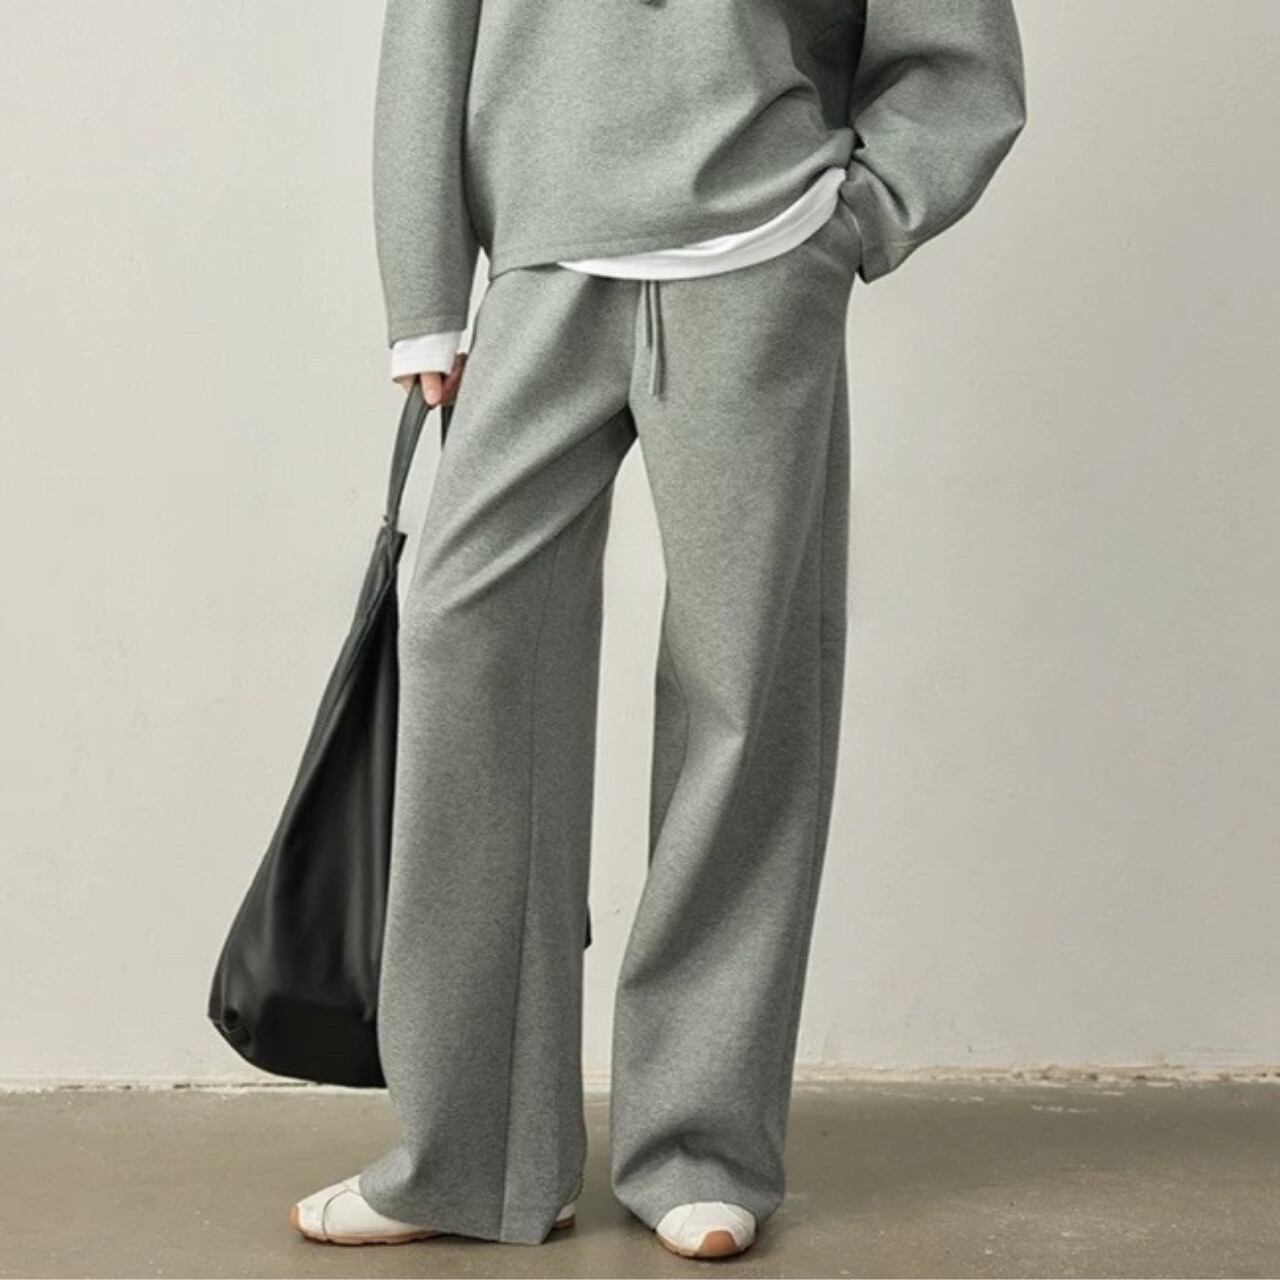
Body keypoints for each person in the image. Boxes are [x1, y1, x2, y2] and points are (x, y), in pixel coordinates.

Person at [290, 0, 1025, 1259]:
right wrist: (424, 288)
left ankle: (699, 1143)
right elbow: (429, 27)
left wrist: (850, 218)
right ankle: (470, 1156)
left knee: (742, 696)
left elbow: (957, 56)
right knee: (466, 650)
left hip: (758, 254)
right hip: (542, 264)